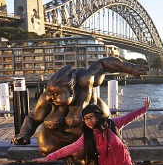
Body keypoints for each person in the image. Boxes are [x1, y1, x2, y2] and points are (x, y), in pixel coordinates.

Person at [11, 57, 149, 156]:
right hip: (60, 139)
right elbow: (33, 118)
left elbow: (103, 63)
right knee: (47, 148)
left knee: (91, 151)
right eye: (49, 93)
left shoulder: (85, 81)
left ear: (71, 90)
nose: (51, 98)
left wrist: (131, 68)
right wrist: (24, 133)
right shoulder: (48, 97)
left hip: (89, 138)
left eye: (57, 94)